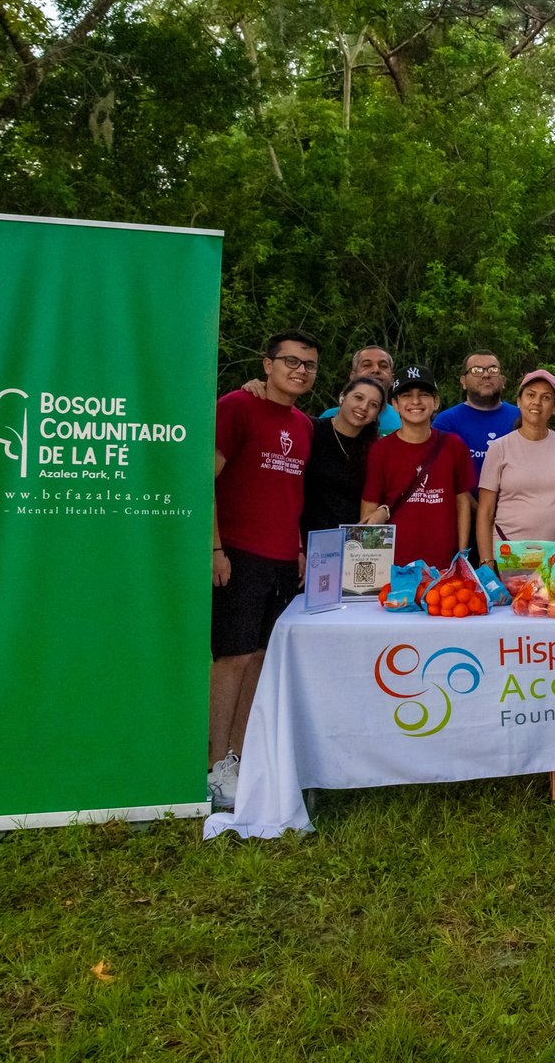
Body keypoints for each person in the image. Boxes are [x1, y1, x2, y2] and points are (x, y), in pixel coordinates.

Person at [209, 330, 318, 811]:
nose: (300, 370)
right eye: (291, 361)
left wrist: (298, 547)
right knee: (231, 657)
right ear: (267, 364)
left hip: (282, 558)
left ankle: (239, 756)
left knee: (258, 657)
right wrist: (214, 547)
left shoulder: (304, 425)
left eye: (309, 364)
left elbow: (289, 494)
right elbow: (204, 480)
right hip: (238, 553)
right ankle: (213, 764)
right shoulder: (237, 406)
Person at [359, 367, 474, 566]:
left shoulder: (454, 445)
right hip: (395, 564)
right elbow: (369, 506)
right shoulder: (381, 450)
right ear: (395, 404)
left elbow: (462, 502)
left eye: (423, 394)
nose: (415, 401)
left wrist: (462, 555)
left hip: (444, 562)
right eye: (406, 395)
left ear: (436, 402)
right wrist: (371, 563)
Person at [476, 370, 555, 554]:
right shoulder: (499, 448)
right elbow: (485, 511)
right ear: (519, 401)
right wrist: (487, 560)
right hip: (508, 555)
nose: (537, 402)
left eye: (546, 397)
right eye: (531, 395)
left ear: (554, 407)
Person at [301, 375, 385, 536]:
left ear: (377, 414)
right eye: (358, 397)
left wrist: (384, 510)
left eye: (373, 405)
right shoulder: (312, 430)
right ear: (342, 397)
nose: (364, 407)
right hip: (308, 539)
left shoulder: (376, 449)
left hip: (352, 542)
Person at [433, 351, 521, 481]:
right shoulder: (446, 422)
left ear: (503, 380)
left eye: (493, 370)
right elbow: (439, 473)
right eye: (477, 370)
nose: (486, 375)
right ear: (463, 381)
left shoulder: (520, 417)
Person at [320, 346, 401, 434]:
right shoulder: (328, 417)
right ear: (353, 376)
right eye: (367, 365)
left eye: (383, 366)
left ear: (392, 379)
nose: (376, 369)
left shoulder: (404, 419)